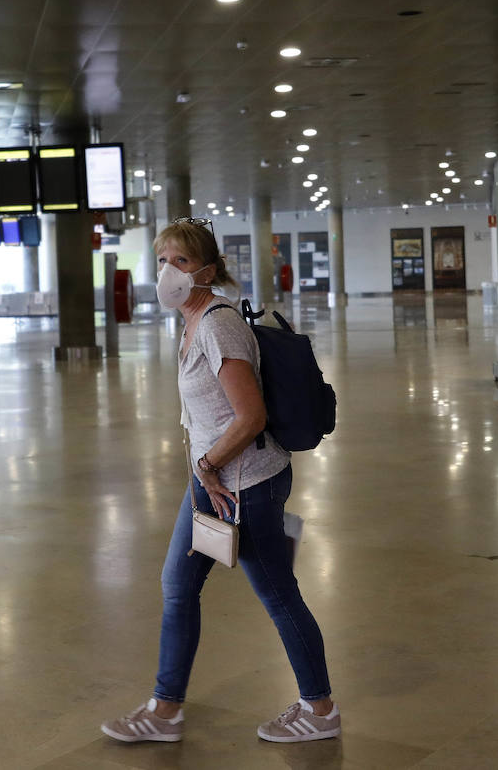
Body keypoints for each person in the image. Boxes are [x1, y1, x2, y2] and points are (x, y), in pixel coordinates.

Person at [100, 218, 338, 745]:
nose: (167, 271)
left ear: (206, 270)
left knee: (279, 596)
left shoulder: (217, 324)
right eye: (162, 260)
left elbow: (249, 417)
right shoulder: (189, 322)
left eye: (180, 262)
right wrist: (202, 472)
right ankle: (165, 710)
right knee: (177, 588)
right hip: (210, 482)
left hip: (244, 484)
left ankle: (319, 708)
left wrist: (208, 467)